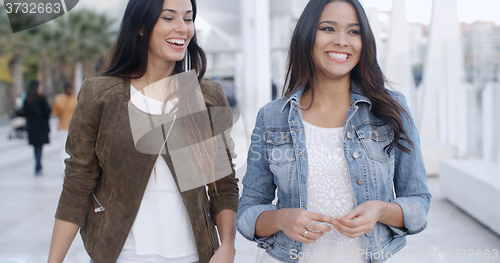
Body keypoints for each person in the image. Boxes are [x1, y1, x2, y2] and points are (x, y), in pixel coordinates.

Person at [236, 0, 431, 263]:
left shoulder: (391, 110)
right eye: (328, 29)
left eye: (353, 31)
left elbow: (419, 203)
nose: (342, 41)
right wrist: (281, 218)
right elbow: (248, 210)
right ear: (307, 35)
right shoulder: (272, 117)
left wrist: (380, 211)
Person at [47, 0, 239, 263]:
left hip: (194, 256)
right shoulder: (101, 95)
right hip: (119, 256)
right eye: (169, 18)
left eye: (188, 18)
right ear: (140, 26)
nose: (182, 28)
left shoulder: (206, 96)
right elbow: (78, 182)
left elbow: (223, 185)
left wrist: (227, 247)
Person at [20, 81, 51, 176]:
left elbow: (24, 113)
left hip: (32, 128)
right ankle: (38, 165)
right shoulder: (41, 100)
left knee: (36, 147)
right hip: (40, 128)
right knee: (39, 147)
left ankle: (37, 164)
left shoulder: (27, 100)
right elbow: (48, 112)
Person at [51, 82, 77, 164]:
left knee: (63, 148)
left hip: (63, 126)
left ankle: (65, 166)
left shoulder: (59, 99)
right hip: (72, 126)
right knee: (70, 148)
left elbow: (55, 112)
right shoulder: (75, 99)